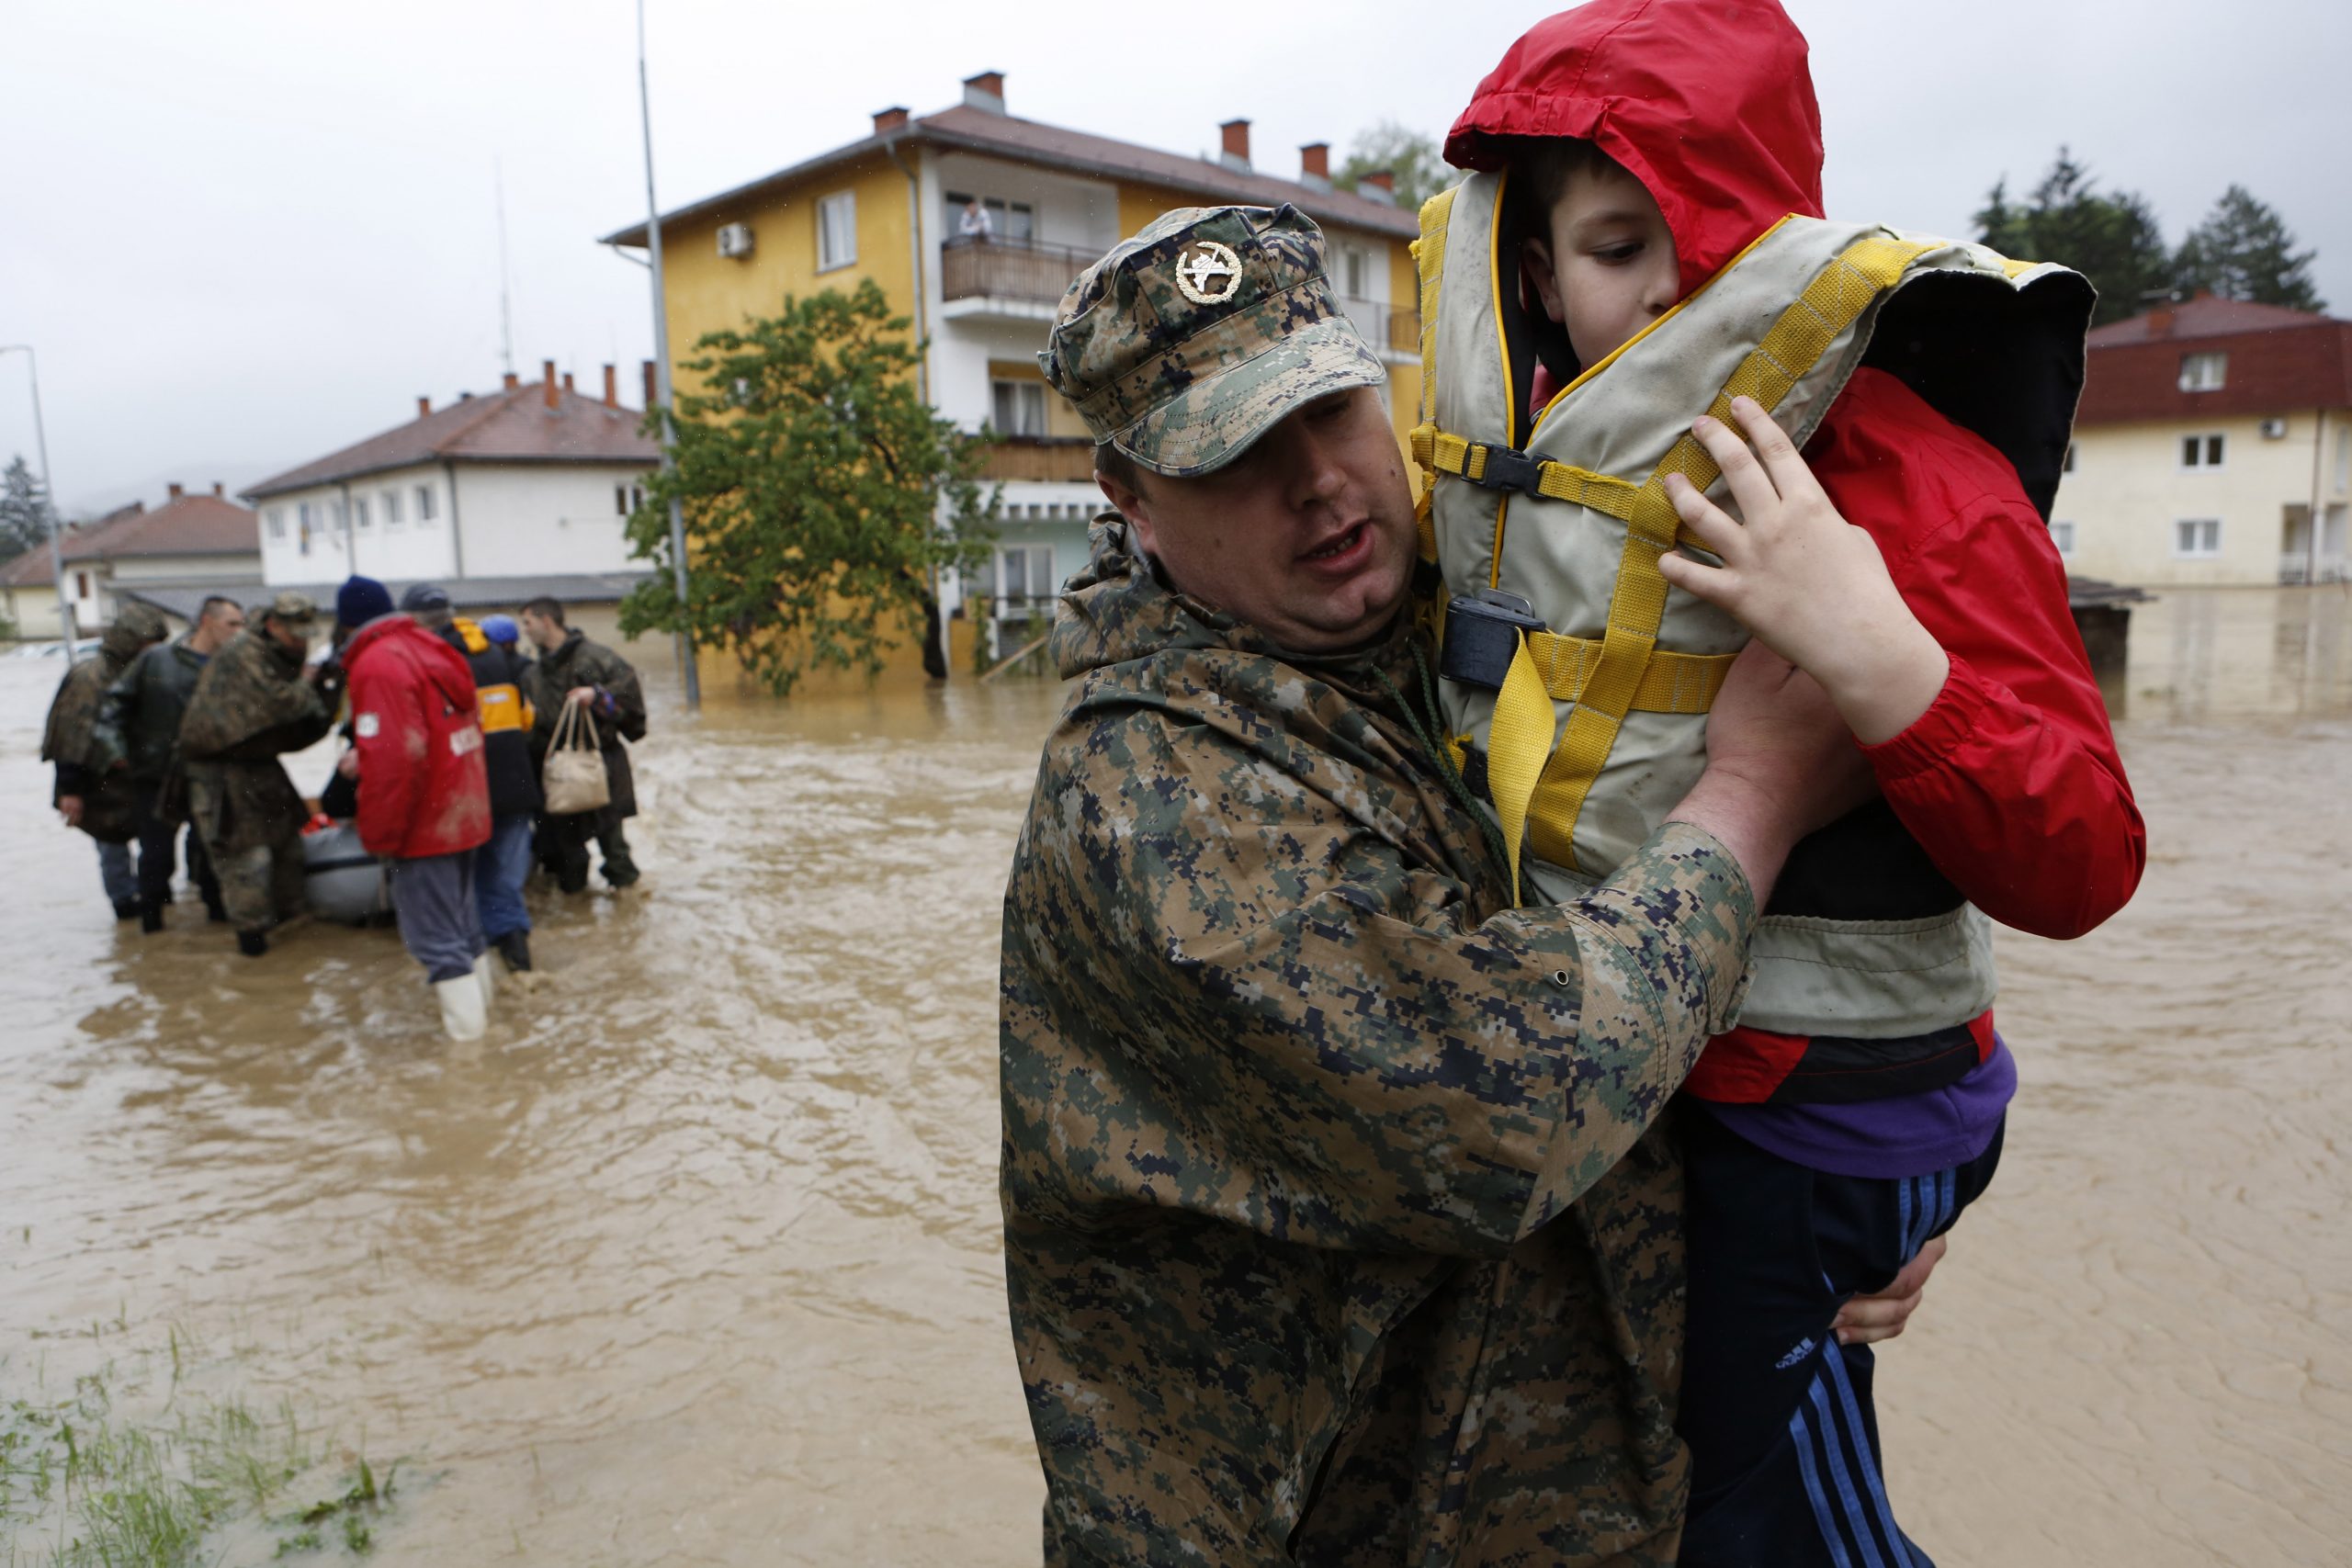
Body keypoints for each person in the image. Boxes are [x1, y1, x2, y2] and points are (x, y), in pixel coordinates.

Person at [1004, 205, 1941, 1566]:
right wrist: (1756, 796)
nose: (1318, 482)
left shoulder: (1465, 621)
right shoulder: (1149, 796)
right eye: (1238, 454)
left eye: (1329, 411)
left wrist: (1845, 1187)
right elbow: (1514, 1104)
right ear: (1130, 500)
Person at [1437, 6, 2148, 1562]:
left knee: (1759, 1527)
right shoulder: (1505, 476)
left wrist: (1879, 658)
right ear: (1537, 274)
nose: (1670, 287)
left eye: (1715, 242)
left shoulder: (1910, 479)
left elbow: (2088, 855)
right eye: (1618, 247)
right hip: (1655, 1095)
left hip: (1815, 1121)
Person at [337, 576, 496, 1041]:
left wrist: (381, 835)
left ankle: (469, 1054)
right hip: (463, 810)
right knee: (464, 932)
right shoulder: (431, 647)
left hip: (425, 826)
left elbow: (396, 760)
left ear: (347, 624)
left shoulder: (377, 664)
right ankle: (491, 1033)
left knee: (437, 943)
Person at [179, 592, 342, 957]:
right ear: (273, 626)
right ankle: (252, 950)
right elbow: (282, 704)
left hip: (260, 765)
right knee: (247, 863)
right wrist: (310, 681)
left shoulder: (277, 655)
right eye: (294, 635)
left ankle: (294, 954)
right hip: (220, 773)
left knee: (288, 854)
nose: (301, 643)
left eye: (305, 635)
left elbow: (300, 724)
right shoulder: (245, 653)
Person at [403, 585, 542, 974]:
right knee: (505, 884)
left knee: (466, 887)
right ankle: (521, 968)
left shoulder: (428, 661)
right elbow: (527, 719)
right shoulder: (497, 655)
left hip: (466, 791)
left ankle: (481, 977)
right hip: (515, 785)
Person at [90, 593, 243, 931]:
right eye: (232, 624)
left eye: (241, 625)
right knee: (157, 856)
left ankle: (217, 924)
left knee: (212, 852)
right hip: (157, 776)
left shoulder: (234, 667)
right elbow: (112, 708)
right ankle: (151, 927)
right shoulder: (156, 660)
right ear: (207, 622)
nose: (238, 631)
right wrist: (115, 753)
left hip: (210, 776)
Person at [40, 603, 168, 919]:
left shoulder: (144, 671)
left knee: (154, 839)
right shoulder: (90, 678)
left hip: (138, 774)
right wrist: (70, 789)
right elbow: (70, 735)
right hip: (96, 779)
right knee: (111, 841)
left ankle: (154, 895)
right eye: (147, 644)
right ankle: (124, 904)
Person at [519, 596, 646, 893]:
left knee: (615, 851)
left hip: (601, 767)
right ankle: (577, 911)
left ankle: (627, 911)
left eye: (528, 622)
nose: (525, 630)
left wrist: (598, 697)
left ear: (546, 621)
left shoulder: (596, 659)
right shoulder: (532, 675)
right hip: (558, 775)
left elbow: (632, 708)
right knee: (568, 858)